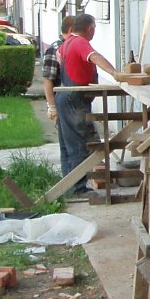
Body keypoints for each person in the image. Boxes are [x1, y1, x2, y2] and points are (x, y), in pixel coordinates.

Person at [54, 13, 122, 197]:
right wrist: (115, 73)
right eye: (94, 29)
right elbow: (95, 57)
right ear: (90, 28)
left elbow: (60, 58)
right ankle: (79, 189)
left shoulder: (67, 42)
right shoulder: (80, 43)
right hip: (74, 99)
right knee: (79, 145)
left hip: (64, 96)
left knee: (67, 145)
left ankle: (68, 186)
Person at [42, 15, 75, 181]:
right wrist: (52, 106)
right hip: (62, 103)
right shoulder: (55, 49)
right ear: (71, 30)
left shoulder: (72, 46)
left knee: (74, 144)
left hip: (73, 103)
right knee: (67, 145)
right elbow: (48, 79)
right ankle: (69, 181)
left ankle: (72, 180)